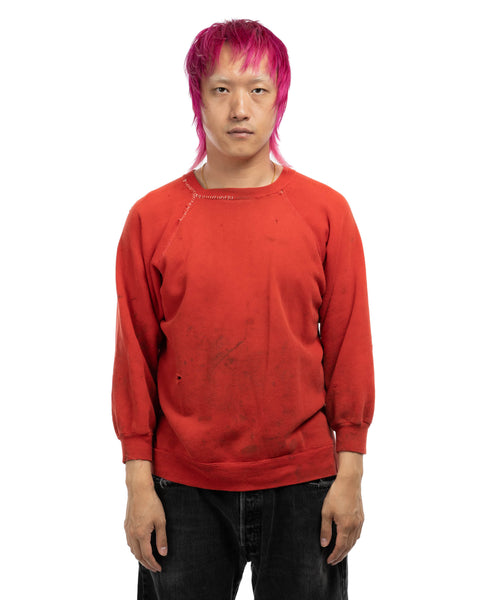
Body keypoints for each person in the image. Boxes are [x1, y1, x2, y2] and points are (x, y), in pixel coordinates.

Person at [112, 18, 374, 600]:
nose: (239, 109)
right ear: (198, 98)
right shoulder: (153, 218)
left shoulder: (326, 212)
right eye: (221, 88)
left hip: (305, 482)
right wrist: (137, 482)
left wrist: (351, 470)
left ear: (280, 98)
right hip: (182, 487)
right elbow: (135, 359)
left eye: (257, 89)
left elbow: (348, 346)